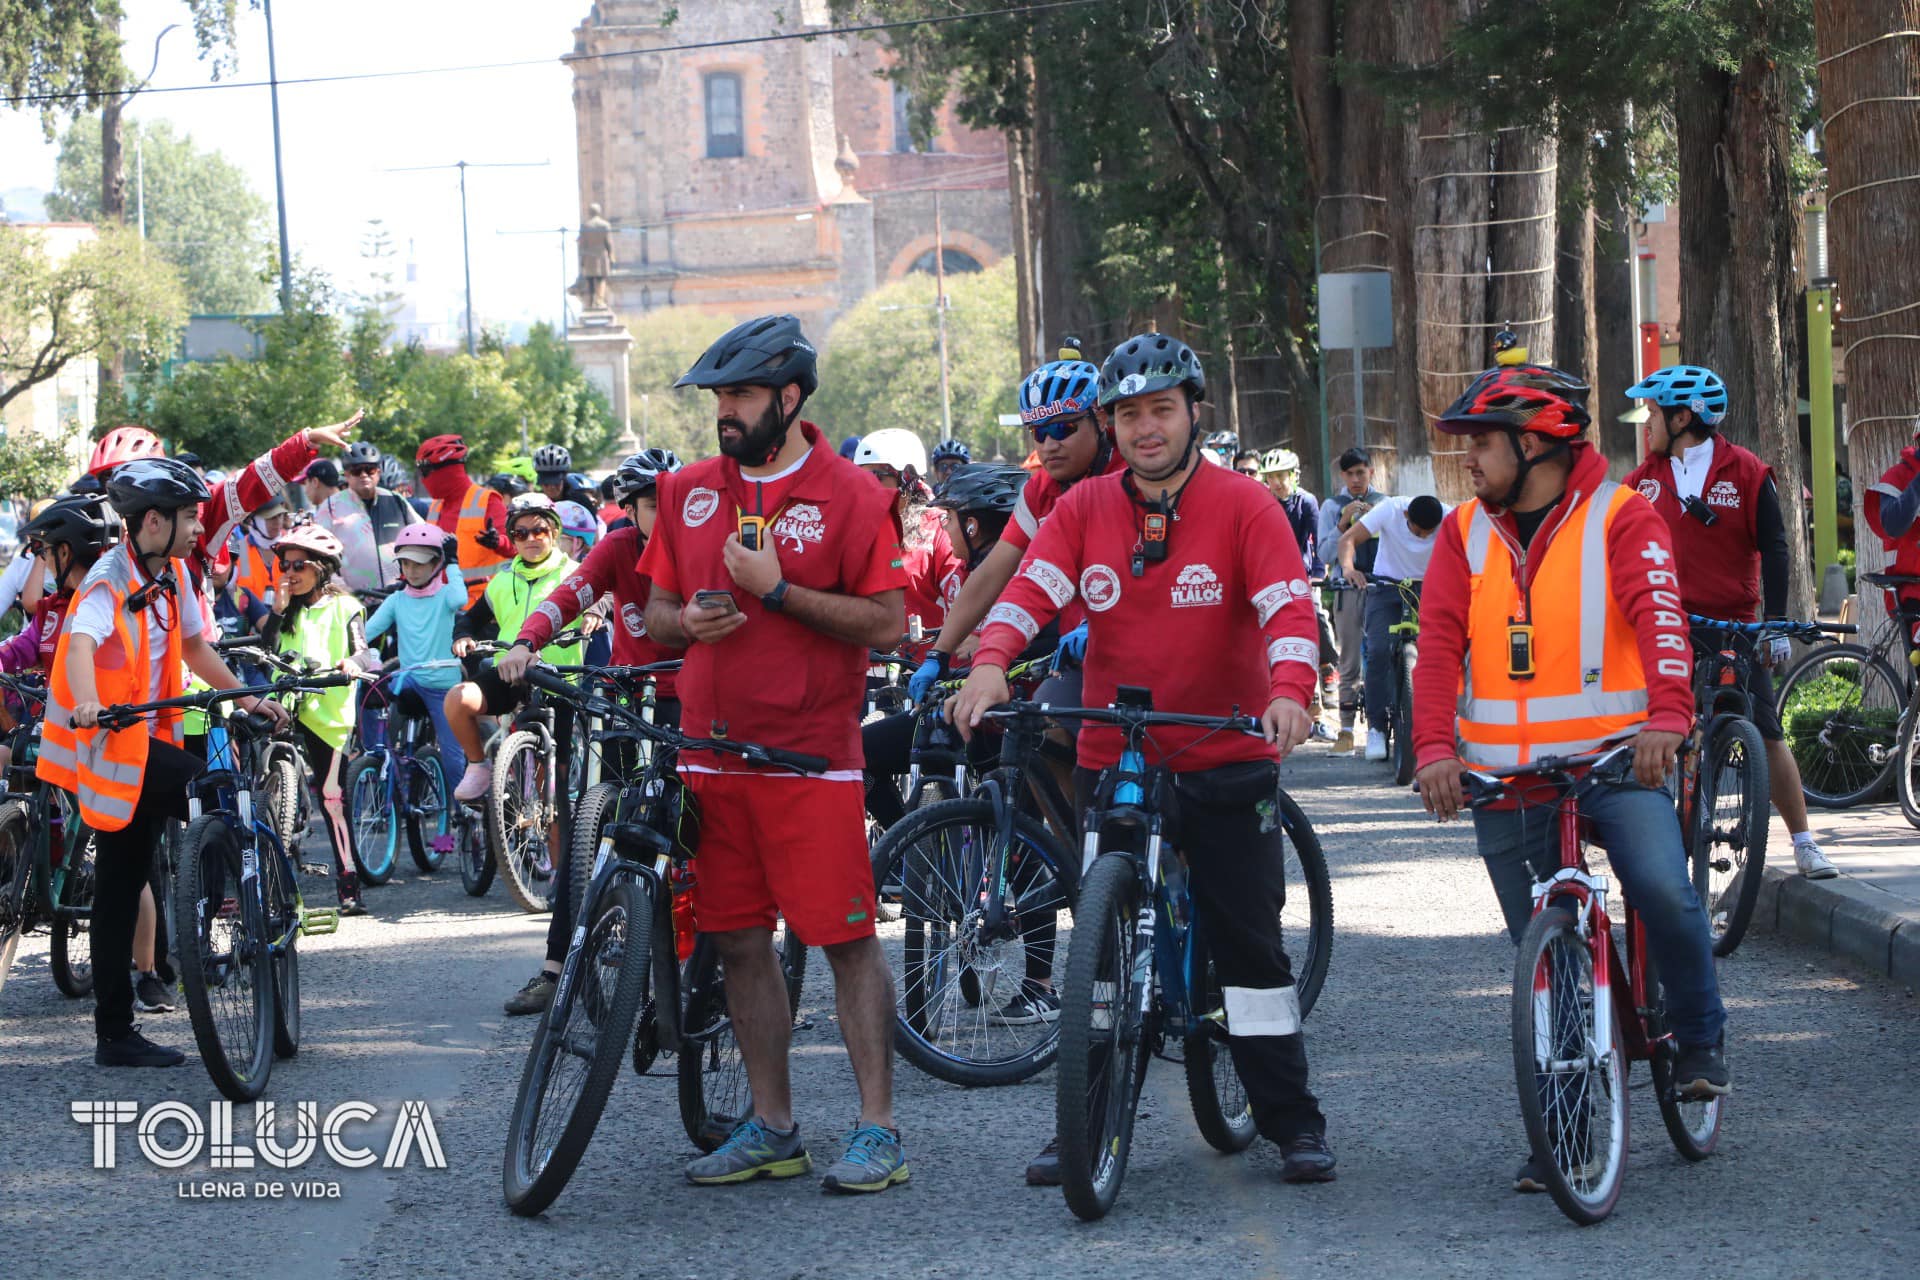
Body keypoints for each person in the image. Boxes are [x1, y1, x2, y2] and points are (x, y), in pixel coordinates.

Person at [949, 330, 1338, 1187]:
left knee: (1251, 950)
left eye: (1161, 410)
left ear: (1194, 413)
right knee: (1101, 950)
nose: (1145, 428)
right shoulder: (1082, 509)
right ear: (1110, 425)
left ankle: (1291, 1120)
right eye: (1128, 415)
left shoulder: (1244, 505)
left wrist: (1289, 692)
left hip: (1225, 746)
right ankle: (1081, 1122)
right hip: (1115, 756)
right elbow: (1028, 592)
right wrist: (985, 664)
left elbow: (1286, 610)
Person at [1410, 362, 1729, 1193]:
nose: (1467, 460)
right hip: (1504, 775)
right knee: (1545, 965)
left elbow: (1662, 616)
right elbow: (1439, 645)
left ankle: (1698, 1034)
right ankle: (1568, 1124)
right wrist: (1433, 749)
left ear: (1534, 442)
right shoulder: (1460, 533)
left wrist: (1668, 717)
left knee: (1661, 886)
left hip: (1621, 758)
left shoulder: (1623, 517)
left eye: (1481, 443)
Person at [639, 313, 911, 1193]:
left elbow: (888, 622)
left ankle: (878, 1130)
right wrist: (690, 621)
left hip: (811, 761)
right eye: (719, 396)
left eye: (743, 394)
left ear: (790, 397)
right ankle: (774, 1126)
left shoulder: (856, 496)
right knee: (737, 942)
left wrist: (781, 593)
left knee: (846, 940)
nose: (725, 411)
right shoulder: (685, 491)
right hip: (708, 759)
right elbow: (653, 615)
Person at [38, 458, 295, 1067]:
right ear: (152, 521)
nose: (196, 530)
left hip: (146, 742)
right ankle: (220, 904)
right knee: (210, 791)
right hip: (106, 741)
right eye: (187, 518)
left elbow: (193, 647)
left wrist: (248, 697)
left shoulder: (176, 573)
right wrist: (91, 705)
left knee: (122, 886)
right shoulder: (107, 580)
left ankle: (117, 1033)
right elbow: (79, 646)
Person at [1623, 365, 1836, 880]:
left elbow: (1776, 548)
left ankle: (1805, 843)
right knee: (1640, 729)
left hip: (1733, 626)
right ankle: (1645, 836)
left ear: (1682, 418)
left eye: (1652, 413)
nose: (1645, 423)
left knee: (1766, 732)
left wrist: (1778, 623)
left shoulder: (1747, 472)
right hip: (1662, 626)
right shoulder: (1642, 480)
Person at [494, 448, 687, 1017]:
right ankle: (557, 970)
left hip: (694, 700)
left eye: (671, 499)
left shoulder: (698, 541)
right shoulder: (619, 547)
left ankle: (730, 964)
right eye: (653, 503)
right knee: (593, 832)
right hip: (630, 696)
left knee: (702, 830)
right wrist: (527, 641)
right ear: (629, 508)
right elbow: (570, 594)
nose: (665, 510)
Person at [909, 350, 1124, 702]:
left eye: (1062, 428)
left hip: (1143, 642)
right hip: (1079, 655)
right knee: (1038, 740)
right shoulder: (1040, 489)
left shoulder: (1129, 473)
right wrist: (939, 653)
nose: (1049, 445)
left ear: (1100, 418)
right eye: (1038, 433)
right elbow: (992, 575)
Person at [445, 492, 587, 801]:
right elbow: (469, 619)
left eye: (539, 531)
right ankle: (478, 766)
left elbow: (603, 599)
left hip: (556, 682)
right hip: (508, 673)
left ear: (555, 532)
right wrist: (462, 637)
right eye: (521, 533)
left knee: (550, 794)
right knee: (458, 699)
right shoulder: (501, 580)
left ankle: (555, 846)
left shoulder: (575, 574)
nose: (531, 539)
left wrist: (596, 615)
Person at [260, 522, 370, 914]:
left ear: (321, 567)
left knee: (332, 798)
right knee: (265, 790)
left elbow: (363, 652)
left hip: (329, 710)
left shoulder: (345, 606)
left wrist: (351, 664)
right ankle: (269, 883)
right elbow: (266, 649)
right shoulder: (284, 606)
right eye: (284, 566)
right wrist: (275, 611)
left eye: (298, 566)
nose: (289, 574)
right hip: (286, 703)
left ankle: (348, 882)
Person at [359, 523, 469, 803]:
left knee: (452, 755)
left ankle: (459, 809)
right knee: (373, 695)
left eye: (419, 563)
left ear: (437, 563)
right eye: (405, 563)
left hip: (444, 685)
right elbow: (365, 632)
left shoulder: (446, 595)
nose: (412, 570)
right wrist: (353, 656)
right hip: (409, 678)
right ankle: (379, 766)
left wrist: (454, 564)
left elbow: (460, 598)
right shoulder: (397, 599)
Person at [1337, 493, 1448, 762]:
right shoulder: (1390, 509)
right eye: (1418, 531)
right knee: (1377, 650)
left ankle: (1442, 725)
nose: (1422, 537)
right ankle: (1376, 728)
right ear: (1406, 516)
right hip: (1387, 585)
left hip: (1430, 587)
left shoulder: (1451, 517)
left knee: (1442, 653)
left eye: (1429, 533)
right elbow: (1348, 539)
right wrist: (1349, 569)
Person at [854, 429, 962, 658]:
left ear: (908, 479)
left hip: (923, 675)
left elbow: (965, 602)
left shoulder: (940, 529)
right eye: (858, 477)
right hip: (861, 672)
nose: (864, 486)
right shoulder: (849, 528)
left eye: (876, 476)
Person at [1317, 447, 1389, 751]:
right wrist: (1342, 524)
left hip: (1382, 587)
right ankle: (1346, 730)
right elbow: (1324, 555)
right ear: (1342, 476)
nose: (1356, 479)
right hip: (1347, 591)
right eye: (1350, 474)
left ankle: (1381, 724)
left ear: (1371, 472)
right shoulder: (1333, 506)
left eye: (1362, 472)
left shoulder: (1385, 504)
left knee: (1382, 654)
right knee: (1348, 661)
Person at [1263, 447, 1336, 735]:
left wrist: (1317, 574)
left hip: (1302, 576)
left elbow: (1317, 541)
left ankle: (1327, 664)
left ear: (1293, 475)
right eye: (1271, 477)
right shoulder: (1262, 501)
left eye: (1281, 476)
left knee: (1315, 618)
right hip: (1269, 577)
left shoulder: (1306, 502)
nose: (1276, 483)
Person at [417, 435, 511, 609]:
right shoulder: (436, 506)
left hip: (482, 611)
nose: (423, 479)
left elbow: (517, 547)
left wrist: (498, 542)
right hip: (442, 608)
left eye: (426, 471)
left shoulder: (488, 501)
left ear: (447, 471)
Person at [314, 441, 413, 594]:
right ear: (346, 475)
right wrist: (341, 589)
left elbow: (422, 536)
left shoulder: (395, 500)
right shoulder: (330, 507)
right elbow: (317, 555)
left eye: (370, 470)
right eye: (356, 471)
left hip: (399, 596)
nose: (364, 475)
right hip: (356, 599)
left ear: (378, 472)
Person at [230, 496, 292, 619]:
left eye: (279, 516)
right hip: (252, 630)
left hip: (289, 623)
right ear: (254, 520)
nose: (278, 522)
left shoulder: (291, 544)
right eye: (270, 518)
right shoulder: (240, 549)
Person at [532, 444, 598, 510]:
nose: (551, 487)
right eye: (546, 482)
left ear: (564, 477)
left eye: (556, 482)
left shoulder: (581, 502)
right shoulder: (533, 505)